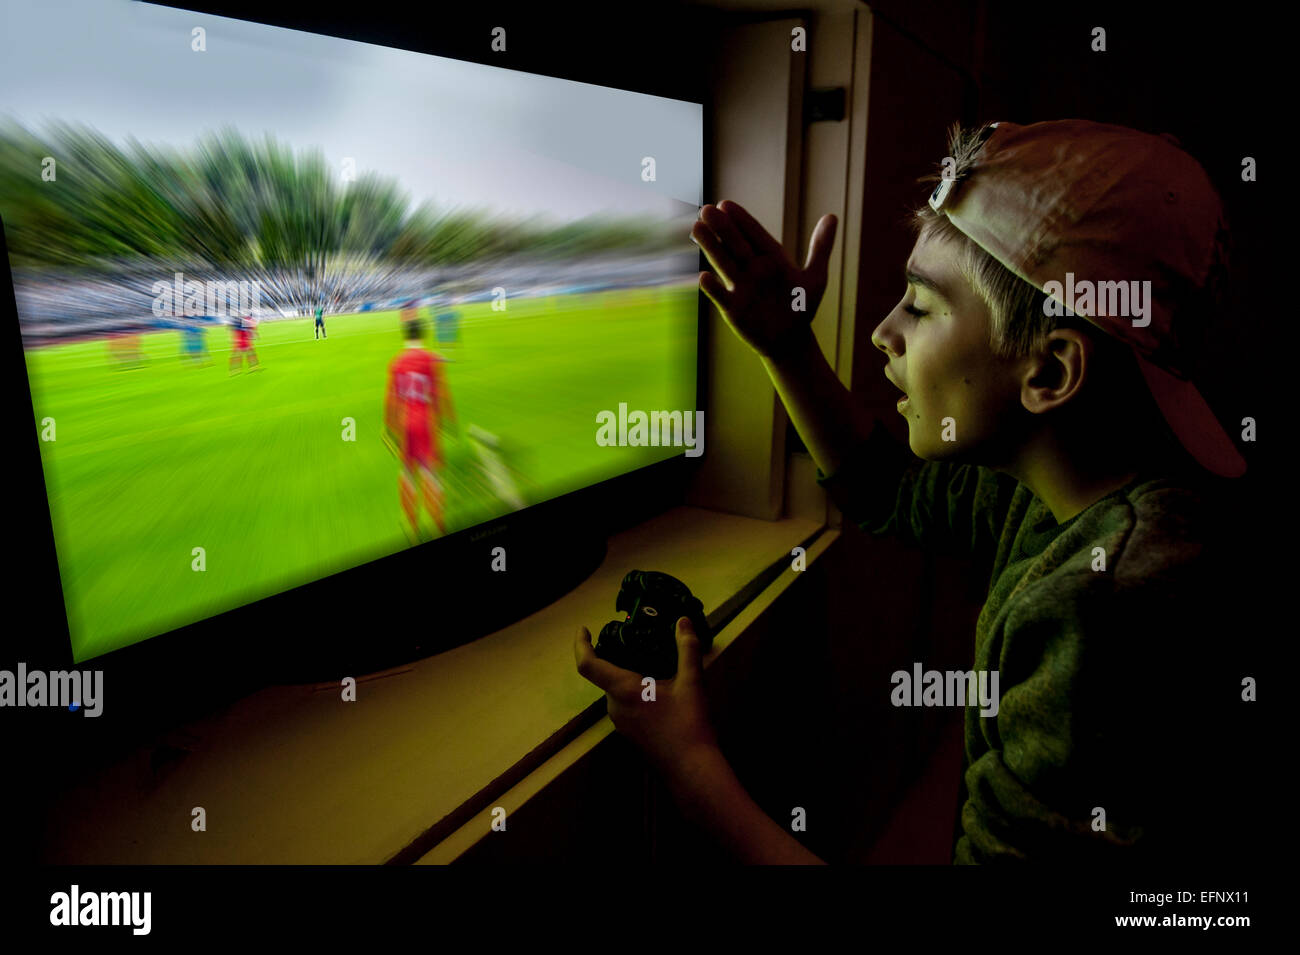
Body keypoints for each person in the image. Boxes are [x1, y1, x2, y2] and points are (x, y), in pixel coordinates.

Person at [575, 120, 1256, 864]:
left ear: (1052, 373)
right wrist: (787, 344)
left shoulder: (1106, 612)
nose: (881, 332)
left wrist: (690, 765)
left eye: (922, 307)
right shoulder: (1065, 483)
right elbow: (890, 492)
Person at [385, 314, 456, 541]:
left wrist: (390, 428)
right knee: (430, 474)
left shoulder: (396, 362)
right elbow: (442, 393)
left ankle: (413, 529)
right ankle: (439, 526)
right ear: (423, 334)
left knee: (407, 474)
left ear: (405, 335)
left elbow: (391, 399)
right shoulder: (431, 359)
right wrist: (449, 420)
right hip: (425, 421)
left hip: (406, 423)